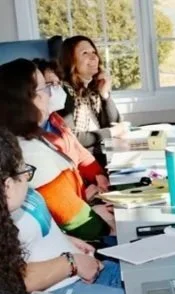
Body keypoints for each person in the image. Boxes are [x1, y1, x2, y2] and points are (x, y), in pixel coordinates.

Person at [0, 127, 125, 294]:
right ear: (7, 185)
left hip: (81, 269)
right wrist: (72, 263)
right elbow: (14, 282)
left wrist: (66, 238)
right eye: (24, 172)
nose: (28, 179)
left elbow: (33, 234)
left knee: (149, 283)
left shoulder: (13, 201)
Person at [0, 58, 114, 241]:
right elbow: (76, 220)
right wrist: (108, 229)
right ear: (27, 100)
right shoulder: (29, 152)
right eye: (45, 87)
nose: (50, 94)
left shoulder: (30, 138)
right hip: (80, 242)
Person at [33, 58, 110, 201]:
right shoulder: (31, 138)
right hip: (75, 201)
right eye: (49, 85)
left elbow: (79, 152)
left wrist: (98, 176)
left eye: (58, 84)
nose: (56, 89)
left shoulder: (55, 119)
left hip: (86, 193)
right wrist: (85, 196)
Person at [58, 35, 127, 164]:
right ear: (70, 61)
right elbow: (73, 138)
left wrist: (104, 94)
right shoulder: (64, 92)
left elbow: (114, 122)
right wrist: (112, 132)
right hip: (84, 162)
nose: (94, 57)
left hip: (103, 154)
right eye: (85, 53)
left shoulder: (91, 87)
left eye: (94, 52)